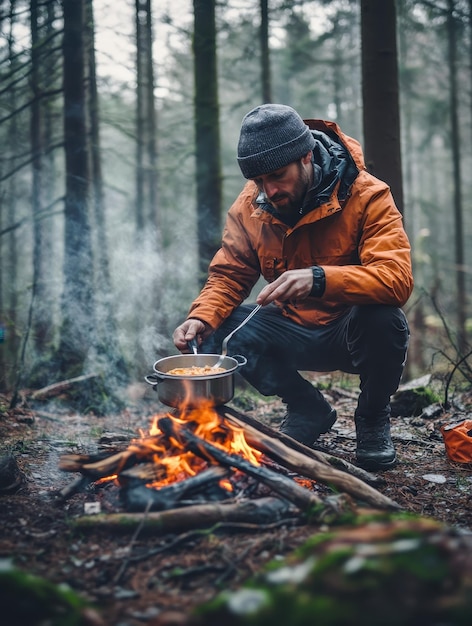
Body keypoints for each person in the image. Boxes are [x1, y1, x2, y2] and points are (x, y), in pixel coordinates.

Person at [173, 103, 413, 472]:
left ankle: (371, 419)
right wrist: (201, 317)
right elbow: (230, 274)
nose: (269, 190)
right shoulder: (250, 206)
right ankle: (306, 407)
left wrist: (320, 279)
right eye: (258, 182)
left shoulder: (368, 195)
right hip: (290, 331)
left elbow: (396, 278)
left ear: (305, 157)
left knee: (385, 318)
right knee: (222, 329)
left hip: (348, 334)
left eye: (277, 176)